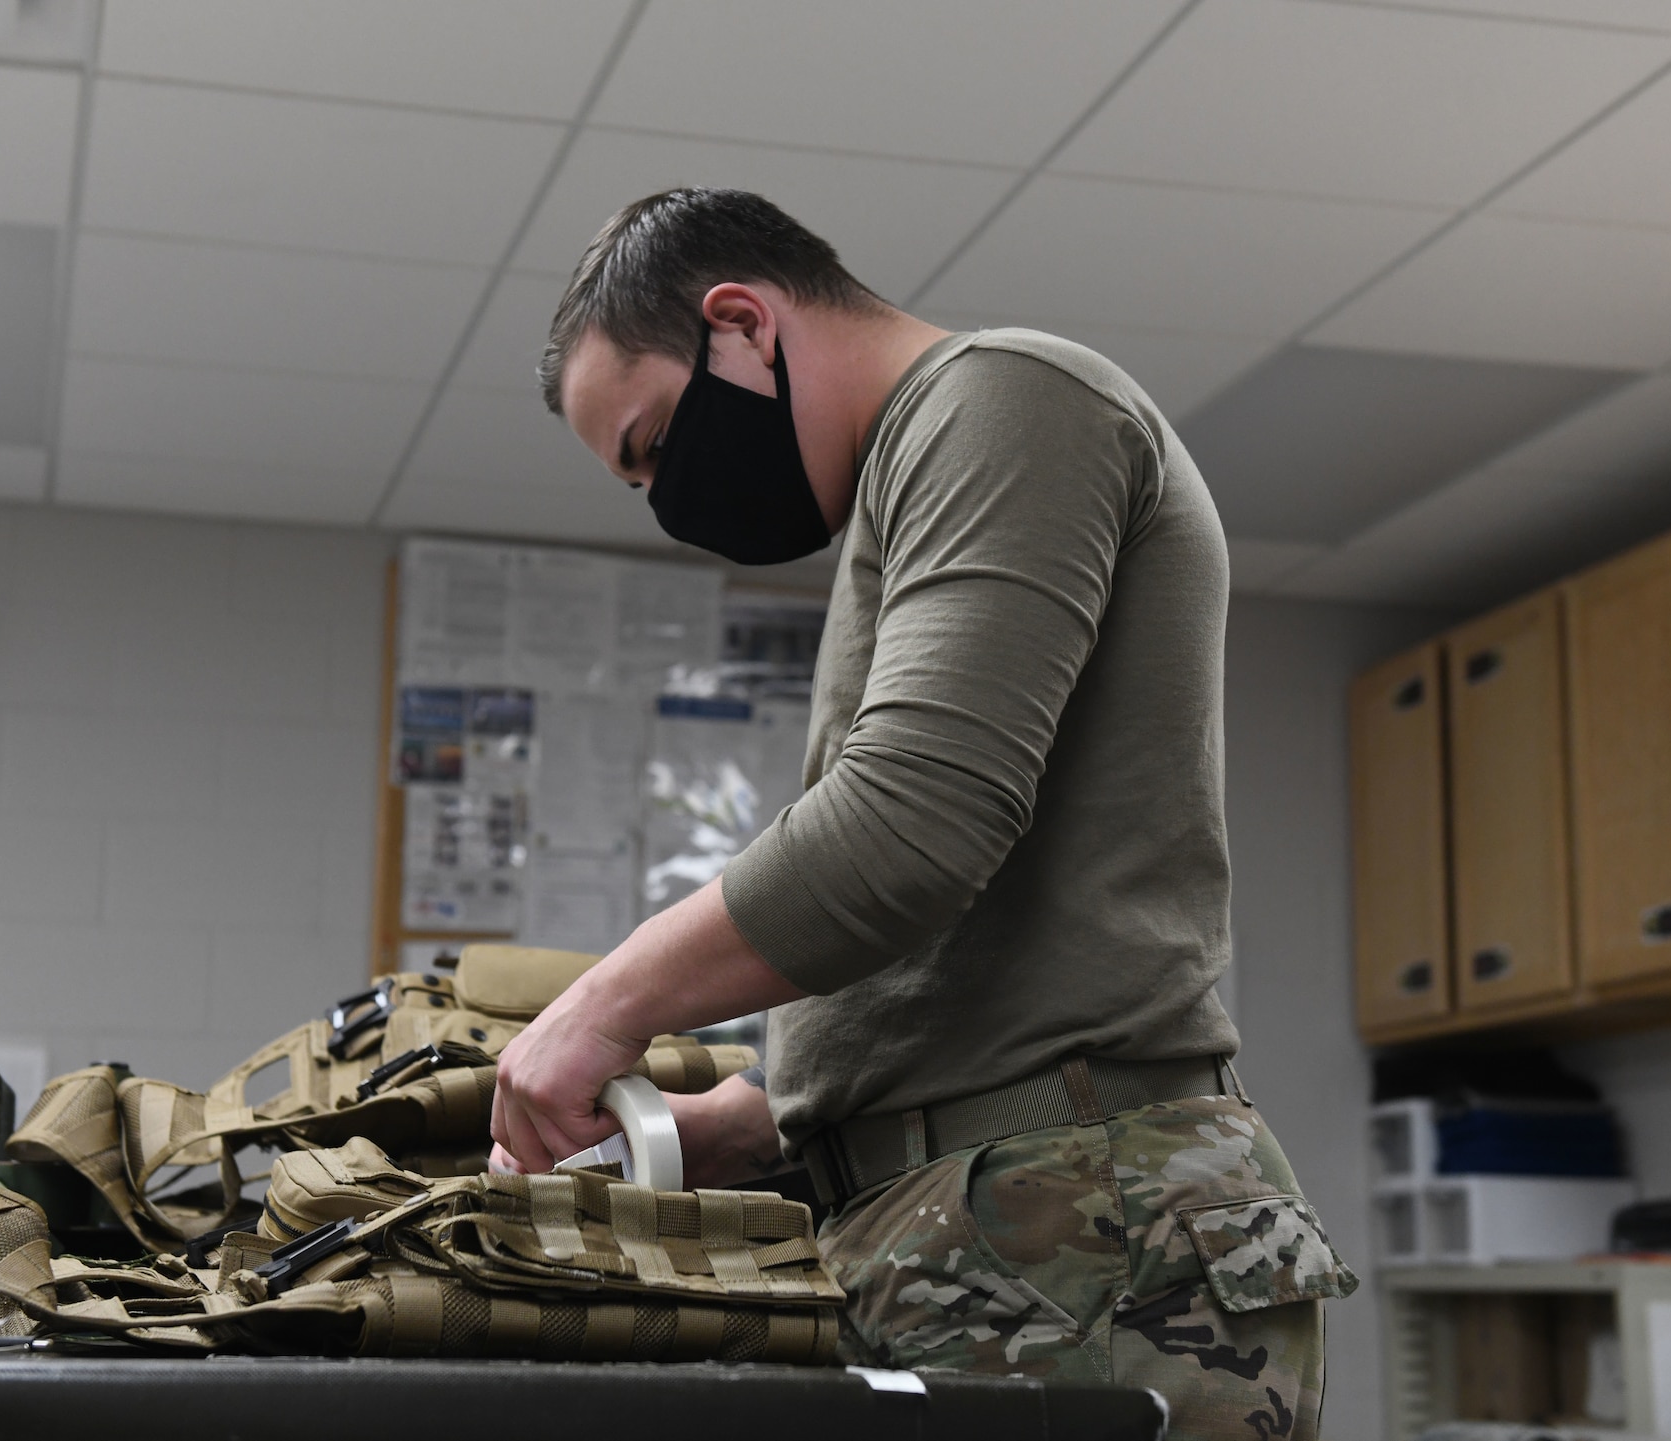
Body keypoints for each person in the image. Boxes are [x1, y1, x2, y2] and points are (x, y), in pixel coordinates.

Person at [491, 187, 1355, 1434]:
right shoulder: (909, 474)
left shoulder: (1006, 399)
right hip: (985, 1222)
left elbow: (910, 827)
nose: (668, 499)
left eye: (657, 442)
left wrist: (597, 1008)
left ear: (740, 322)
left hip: (1078, 1227)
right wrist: (751, 1118)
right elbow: (960, 929)